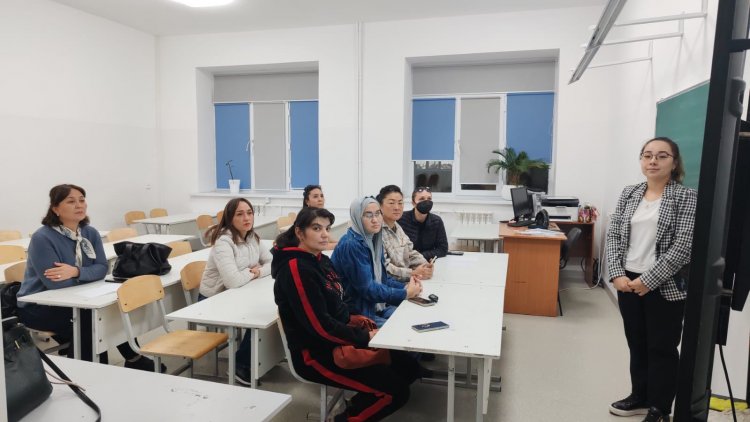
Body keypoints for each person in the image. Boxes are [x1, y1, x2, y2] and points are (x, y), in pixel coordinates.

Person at [273, 207, 421, 422]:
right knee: (396, 393)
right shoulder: (296, 269)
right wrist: (364, 337)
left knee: (408, 367)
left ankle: (356, 406)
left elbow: (342, 299)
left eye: (327, 228)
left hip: (340, 339)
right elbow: (320, 327)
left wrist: (355, 318)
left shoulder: (320, 260)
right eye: (316, 228)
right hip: (316, 354)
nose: (325, 234)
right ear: (299, 232)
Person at [17, 184, 160, 371]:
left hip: (79, 297)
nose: (79, 205)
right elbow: (56, 284)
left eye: (82, 200)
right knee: (91, 320)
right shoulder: (42, 238)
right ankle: (87, 372)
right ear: (55, 208)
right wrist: (87, 274)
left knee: (111, 311)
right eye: (71, 201)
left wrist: (76, 272)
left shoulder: (89, 233)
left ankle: (131, 359)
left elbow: (102, 268)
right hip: (38, 305)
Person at [606, 137, 697, 422]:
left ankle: (659, 407)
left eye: (661, 156)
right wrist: (616, 273)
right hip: (627, 281)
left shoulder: (686, 197)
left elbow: (684, 246)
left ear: (674, 162)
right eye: (647, 155)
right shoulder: (630, 193)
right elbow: (614, 234)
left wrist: (649, 279)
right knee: (637, 343)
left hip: (664, 283)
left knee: (662, 347)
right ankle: (640, 396)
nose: (653, 161)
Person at [199, 198, 271, 385]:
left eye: (249, 213)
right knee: (259, 316)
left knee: (271, 309)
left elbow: (273, 263)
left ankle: (261, 357)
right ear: (230, 218)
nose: (247, 218)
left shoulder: (252, 237)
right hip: (213, 299)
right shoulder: (223, 242)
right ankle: (240, 365)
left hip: (240, 292)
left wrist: (258, 271)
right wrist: (252, 272)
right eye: (240, 214)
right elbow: (232, 281)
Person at [331, 197, 422, 327]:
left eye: (378, 214)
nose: (375, 220)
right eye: (368, 215)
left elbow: (381, 279)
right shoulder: (351, 245)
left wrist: (406, 286)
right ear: (357, 218)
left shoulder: (373, 239)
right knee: (403, 329)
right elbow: (368, 289)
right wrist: (404, 293)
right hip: (360, 314)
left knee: (415, 318)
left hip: (377, 306)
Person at [376, 184, 434, 282]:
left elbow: (410, 252)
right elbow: (383, 268)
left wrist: (425, 266)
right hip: (391, 285)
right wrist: (412, 273)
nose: (397, 207)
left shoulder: (397, 227)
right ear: (380, 206)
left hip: (408, 281)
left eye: (400, 203)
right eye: (391, 203)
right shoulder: (376, 231)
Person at [398, 186, 448, 261]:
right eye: (421, 199)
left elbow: (443, 249)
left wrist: (421, 256)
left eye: (429, 199)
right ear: (413, 203)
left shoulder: (437, 221)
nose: (426, 202)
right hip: (405, 261)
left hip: (428, 261)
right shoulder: (401, 219)